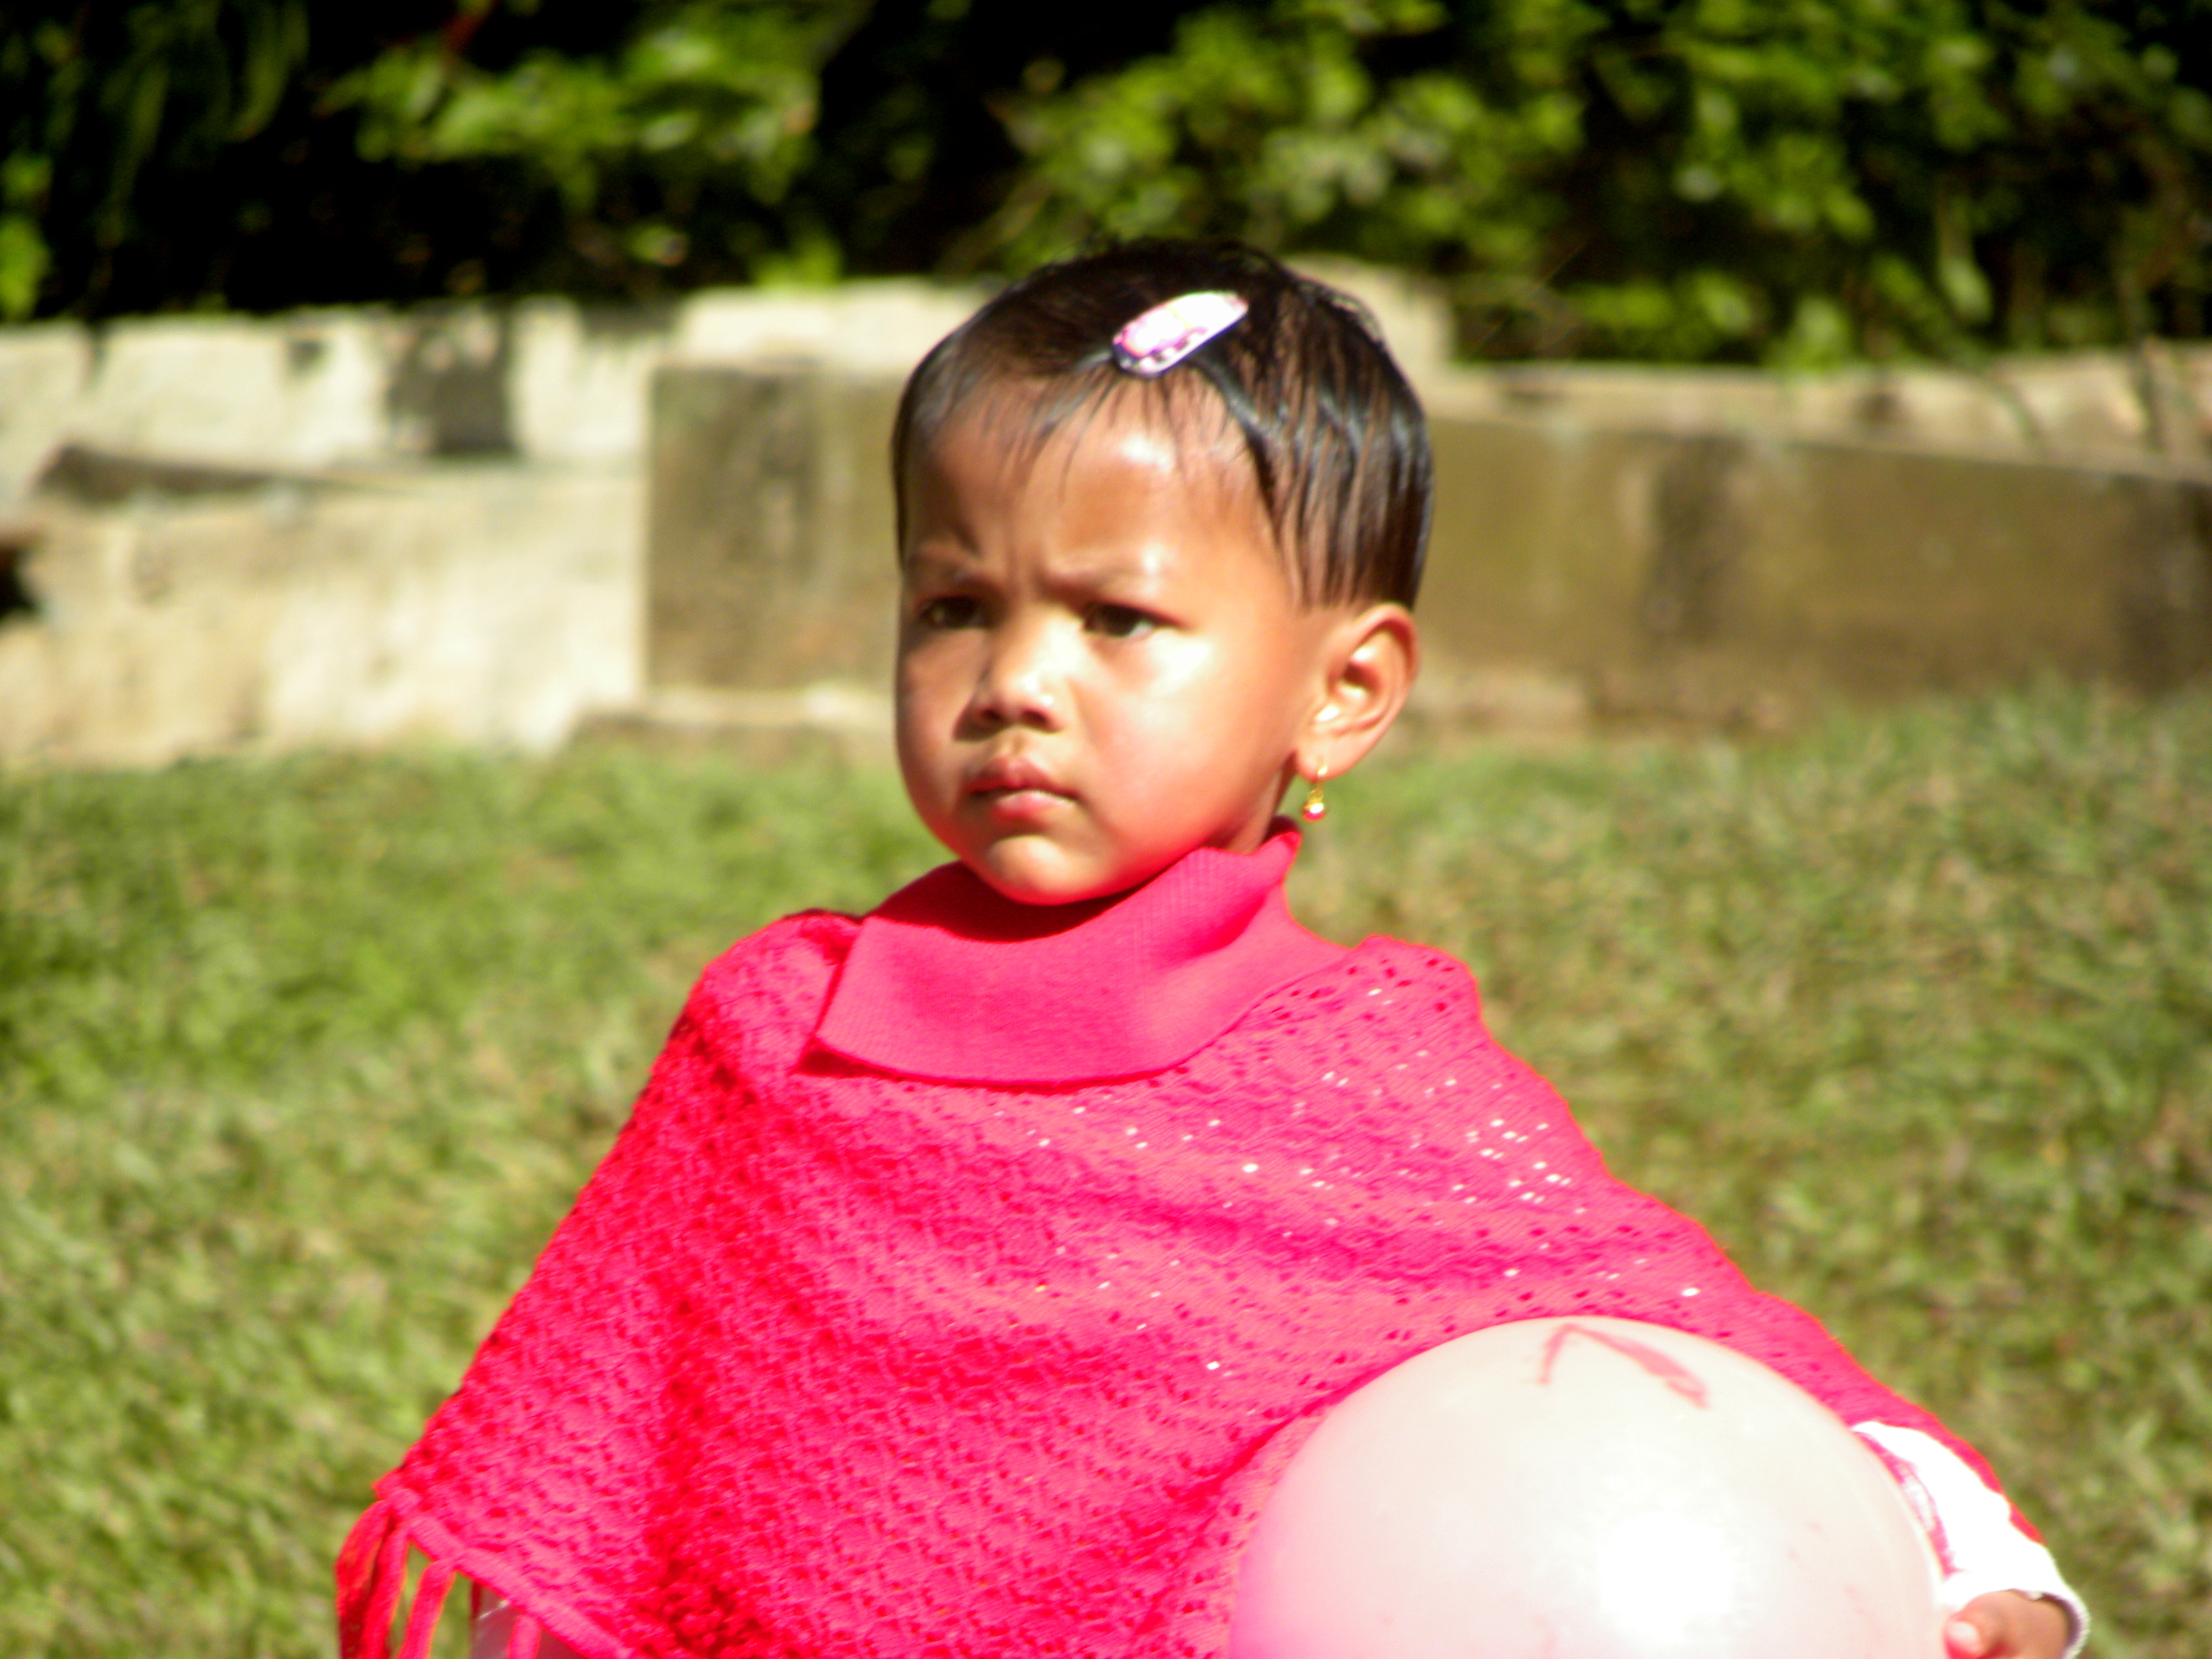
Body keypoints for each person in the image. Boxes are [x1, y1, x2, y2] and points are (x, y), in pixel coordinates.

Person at [337, 241, 2083, 1659]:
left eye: (1120, 619)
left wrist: (1966, 1557)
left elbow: (1667, 1319)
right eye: (955, 607)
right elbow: (605, 1502)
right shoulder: (783, 1030)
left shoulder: (1369, 1065)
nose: (1016, 682)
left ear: (1345, 691)